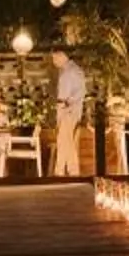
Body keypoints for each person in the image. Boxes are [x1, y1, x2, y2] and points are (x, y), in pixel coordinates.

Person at [51, 45, 87, 178]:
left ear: (61, 55)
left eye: (54, 58)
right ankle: (65, 171)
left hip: (67, 113)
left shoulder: (67, 73)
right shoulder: (77, 70)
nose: (54, 62)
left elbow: (62, 99)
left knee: (64, 142)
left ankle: (65, 172)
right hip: (75, 111)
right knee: (66, 142)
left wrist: (58, 117)